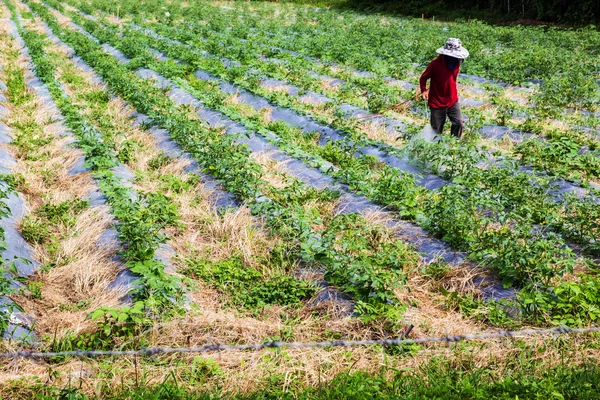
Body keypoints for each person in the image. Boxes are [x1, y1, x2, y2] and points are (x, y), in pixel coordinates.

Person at [419, 38, 469, 138]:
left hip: (452, 100)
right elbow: (423, 78)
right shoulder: (435, 64)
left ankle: (454, 144)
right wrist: (424, 90)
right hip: (437, 102)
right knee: (436, 131)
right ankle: (435, 149)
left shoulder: (458, 62)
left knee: (459, 123)